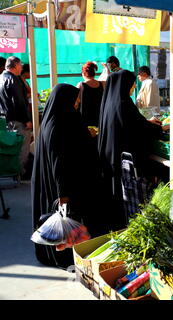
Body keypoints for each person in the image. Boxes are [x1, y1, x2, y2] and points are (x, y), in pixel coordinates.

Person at [31, 83, 105, 269]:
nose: (78, 102)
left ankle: (58, 251)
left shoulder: (53, 120)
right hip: (68, 185)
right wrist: (63, 194)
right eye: (76, 98)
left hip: (62, 184)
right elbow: (59, 161)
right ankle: (66, 256)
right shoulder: (60, 124)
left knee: (64, 223)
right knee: (67, 222)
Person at [97, 69, 168, 232]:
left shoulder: (109, 102)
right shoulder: (124, 103)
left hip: (113, 157)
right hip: (127, 161)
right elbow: (138, 128)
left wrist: (147, 122)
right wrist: (159, 127)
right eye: (131, 84)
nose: (134, 86)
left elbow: (132, 123)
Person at [0, 56, 32, 176]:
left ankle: (12, 172)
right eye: (21, 65)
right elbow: (19, 102)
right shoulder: (14, 79)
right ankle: (20, 172)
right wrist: (26, 120)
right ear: (15, 65)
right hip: (18, 120)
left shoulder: (1, 78)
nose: (22, 67)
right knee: (22, 147)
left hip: (5, 120)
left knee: (9, 148)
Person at [76, 61, 104, 127]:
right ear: (94, 73)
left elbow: (75, 103)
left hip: (85, 122)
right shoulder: (103, 84)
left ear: (83, 73)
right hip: (100, 119)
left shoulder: (81, 85)